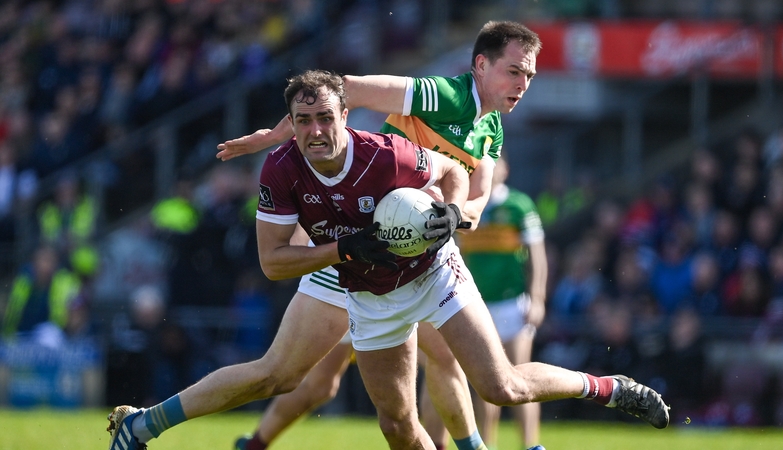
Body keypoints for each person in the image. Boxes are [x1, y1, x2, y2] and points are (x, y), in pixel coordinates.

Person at [106, 70, 669, 450]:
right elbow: (274, 263)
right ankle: (143, 425)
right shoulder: (280, 169)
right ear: (292, 125)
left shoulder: (387, 154)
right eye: (303, 122)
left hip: (430, 272)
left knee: (500, 385)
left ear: (344, 115)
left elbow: (452, 171)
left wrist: (450, 213)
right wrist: (347, 248)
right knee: (387, 420)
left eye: (326, 118)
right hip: (358, 284)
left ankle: (609, 387)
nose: (316, 131)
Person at [219, 20, 543, 450]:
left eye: (530, 76)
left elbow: (477, 201)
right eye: (515, 71)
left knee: (441, 365)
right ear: (481, 65)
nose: (523, 84)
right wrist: (276, 135)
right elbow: (344, 87)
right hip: (362, 246)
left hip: (406, 255)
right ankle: (254, 442)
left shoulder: (492, 128)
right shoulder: (447, 96)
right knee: (313, 382)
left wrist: (455, 215)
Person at [457, 154, 547, 449]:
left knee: (521, 376)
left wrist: (537, 298)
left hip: (512, 303)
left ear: (505, 169)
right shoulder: (465, 206)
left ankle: (530, 444)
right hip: (477, 304)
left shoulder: (519, 205)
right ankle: (488, 445)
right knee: (484, 380)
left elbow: (537, 256)